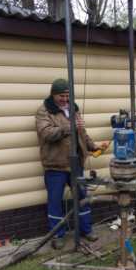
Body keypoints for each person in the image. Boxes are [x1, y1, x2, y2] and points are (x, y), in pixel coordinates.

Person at [36, 78, 106, 249]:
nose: (66, 99)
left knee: (82, 197)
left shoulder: (73, 108)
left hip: (76, 165)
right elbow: (46, 133)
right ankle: (57, 236)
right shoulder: (44, 111)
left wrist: (93, 146)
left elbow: (82, 132)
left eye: (68, 95)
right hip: (55, 166)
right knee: (55, 201)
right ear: (53, 95)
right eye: (62, 96)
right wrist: (70, 127)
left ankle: (86, 230)